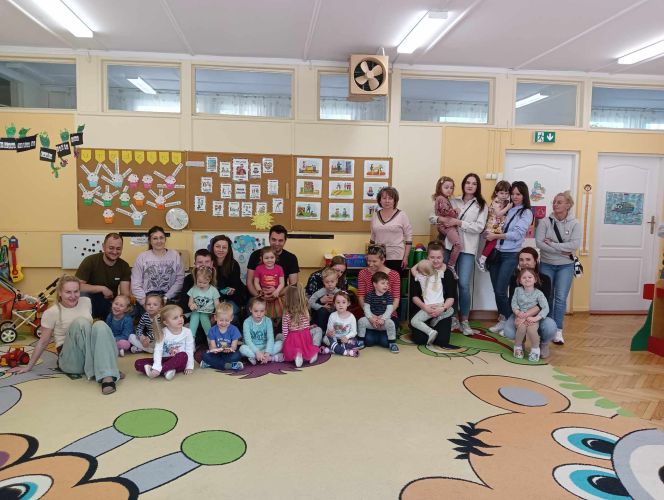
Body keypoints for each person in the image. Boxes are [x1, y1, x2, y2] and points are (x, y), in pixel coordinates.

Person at [9, 275, 122, 395]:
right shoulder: (51, 312)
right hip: (70, 361)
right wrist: (28, 366)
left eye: (76, 291)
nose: (73, 296)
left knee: (100, 325)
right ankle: (105, 369)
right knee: (81, 323)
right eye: (68, 292)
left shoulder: (86, 302)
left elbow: (88, 334)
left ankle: (107, 374)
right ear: (60, 293)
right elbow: (43, 342)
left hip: (86, 354)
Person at [431, 173, 488, 336]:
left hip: (468, 249)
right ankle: (452, 317)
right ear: (463, 185)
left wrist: (459, 222)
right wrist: (440, 220)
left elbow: (479, 227)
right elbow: (433, 217)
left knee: (463, 284)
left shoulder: (481, 205)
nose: (470, 186)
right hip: (449, 247)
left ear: (477, 187)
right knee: (449, 283)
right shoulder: (452, 200)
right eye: (467, 182)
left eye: (474, 183)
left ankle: (464, 320)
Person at [486, 181, 533, 335]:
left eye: (518, 194)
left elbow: (517, 234)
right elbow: (495, 222)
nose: (514, 196)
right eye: (512, 193)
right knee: (496, 290)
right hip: (495, 252)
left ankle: (511, 322)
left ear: (524, 195)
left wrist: (495, 236)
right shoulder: (507, 207)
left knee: (501, 290)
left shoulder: (526, 212)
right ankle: (503, 319)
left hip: (510, 254)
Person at [536, 191, 581, 345]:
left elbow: (574, 245)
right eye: (554, 202)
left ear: (568, 205)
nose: (555, 204)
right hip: (547, 264)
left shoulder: (575, 223)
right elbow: (539, 243)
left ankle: (558, 331)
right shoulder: (545, 222)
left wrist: (553, 244)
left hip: (565, 266)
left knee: (560, 298)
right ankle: (547, 328)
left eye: (559, 202)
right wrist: (562, 250)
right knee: (547, 297)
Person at [502, 247, 557, 358]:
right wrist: (518, 314)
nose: (524, 263)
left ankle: (543, 344)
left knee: (550, 327)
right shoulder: (515, 279)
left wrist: (528, 316)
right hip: (519, 314)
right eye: (521, 260)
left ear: (535, 261)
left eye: (528, 259)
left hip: (538, 316)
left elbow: (543, 305)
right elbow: (512, 301)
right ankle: (520, 343)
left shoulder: (545, 279)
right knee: (508, 331)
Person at [409, 241, 459, 349]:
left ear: (443, 258)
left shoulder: (445, 273)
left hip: (440, 310)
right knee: (420, 340)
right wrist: (425, 308)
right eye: (432, 257)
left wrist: (442, 309)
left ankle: (436, 322)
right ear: (427, 258)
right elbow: (414, 297)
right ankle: (430, 329)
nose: (436, 260)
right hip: (423, 308)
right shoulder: (421, 273)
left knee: (442, 341)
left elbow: (451, 297)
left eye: (439, 257)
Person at [356, 244, 401, 350]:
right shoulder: (363, 273)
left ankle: (385, 333)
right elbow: (361, 297)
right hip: (370, 315)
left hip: (388, 315)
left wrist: (383, 317)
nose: (370, 264)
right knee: (369, 341)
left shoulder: (394, 275)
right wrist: (371, 317)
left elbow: (396, 299)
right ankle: (378, 333)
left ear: (383, 260)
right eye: (369, 261)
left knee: (385, 342)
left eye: (374, 261)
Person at [75, 233, 131, 319]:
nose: (115, 252)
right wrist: (102, 288)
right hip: (89, 302)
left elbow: (125, 294)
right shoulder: (90, 261)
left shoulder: (124, 266)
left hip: (110, 303)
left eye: (118, 249)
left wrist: (120, 305)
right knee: (82, 294)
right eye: (111, 248)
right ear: (103, 247)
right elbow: (76, 286)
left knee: (130, 309)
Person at [135, 304, 194, 380]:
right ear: (166, 323)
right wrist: (157, 366)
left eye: (181, 316)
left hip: (180, 361)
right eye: (175, 318)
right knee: (138, 363)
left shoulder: (187, 332)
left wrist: (189, 366)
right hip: (165, 360)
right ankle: (167, 370)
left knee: (183, 355)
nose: (180, 319)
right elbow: (158, 350)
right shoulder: (162, 332)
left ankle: (159, 371)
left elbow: (189, 350)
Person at [131, 226, 185, 309]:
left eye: (161, 238)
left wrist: (166, 298)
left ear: (165, 239)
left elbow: (179, 281)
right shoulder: (142, 257)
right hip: (147, 299)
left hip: (169, 298)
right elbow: (135, 283)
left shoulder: (175, 255)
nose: (159, 241)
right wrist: (145, 302)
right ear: (150, 241)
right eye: (155, 238)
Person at [247, 225, 299, 298]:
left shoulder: (291, 258)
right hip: (258, 297)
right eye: (274, 239)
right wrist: (260, 296)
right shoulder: (255, 255)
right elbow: (249, 282)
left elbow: (293, 285)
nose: (277, 243)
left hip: (280, 296)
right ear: (269, 239)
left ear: (285, 241)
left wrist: (276, 293)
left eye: (280, 240)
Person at [370, 186, 413, 271]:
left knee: (394, 279)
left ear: (395, 200)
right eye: (384, 198)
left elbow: (409, 237)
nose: (387, 201)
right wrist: (370, 255)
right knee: (378, 279)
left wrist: (406, 257)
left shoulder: (402, 215)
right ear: (380, 200)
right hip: (378, 257)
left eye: (390, 198)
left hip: (396, 257)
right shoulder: (375, 215)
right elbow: (372, 238)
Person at [511, 268, 549, 362]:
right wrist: (518, 312)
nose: (527, 279)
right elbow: (514, 303)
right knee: (521, 328)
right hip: (520, 316)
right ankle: (518, 347)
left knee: (532, 330)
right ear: (520, 280)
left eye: (530, 277)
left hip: (533, 318)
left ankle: (535, 350)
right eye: (524, 277)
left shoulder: (539, 293)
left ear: (535, 279)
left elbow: (545, 308)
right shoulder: (517, 290)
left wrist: (536, 318)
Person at [357, 272, 399, 353]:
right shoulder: (369, 295)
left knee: (391, 323)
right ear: (375, 284)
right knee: (361, 321)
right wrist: (371, 318)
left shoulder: (388, 296)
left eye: (387, 283)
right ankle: (360, 340)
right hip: (372, 320)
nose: (386, 285)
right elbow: (366, 308)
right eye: (383, 283)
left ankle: (392, 343)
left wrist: (383, 319)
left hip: (383, 321)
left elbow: (389, 309)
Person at [431, 176, 463, 279]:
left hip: (446, 227)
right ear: (440, 187)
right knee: (458, 244)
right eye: (446, 187)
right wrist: (456, 211)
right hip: (446, 227)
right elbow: (447, 212)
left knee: (456, 245)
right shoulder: (441, 198)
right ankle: (451, 265)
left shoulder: (445, 198)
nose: (449, 190)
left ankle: (450, 265)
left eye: (451, 188)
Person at [281, 284, 320, 368]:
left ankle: (297, 354)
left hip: (293, 337)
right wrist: (309, 328)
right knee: (309, 344)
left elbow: (285, 330)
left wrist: (286, 342)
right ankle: (313, 353)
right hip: (305, 336)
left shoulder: (286, 313)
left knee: (281, 339)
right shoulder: (305, 309)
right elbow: (306, 324)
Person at [477, 180, 512, 272]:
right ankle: (482, 259)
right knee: (493, 243)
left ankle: (482, 259)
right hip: (492, 227)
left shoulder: (504, 201)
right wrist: (508, 207)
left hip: (496, 227)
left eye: (506, 193)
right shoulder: (496, 201)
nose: (504, 195)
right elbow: (498, 214)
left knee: (489, 244)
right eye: (501, 193)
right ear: (496, 192)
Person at [200, 302, 244, 371]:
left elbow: (234, 346)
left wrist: (230, 349)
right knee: (204, 355)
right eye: (221, 320)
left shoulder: (234, 329)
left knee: (237, 355)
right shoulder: (212, 330)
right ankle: (230, 366)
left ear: (231, 318)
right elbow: (212, 346)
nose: (224, 323)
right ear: (215, 317)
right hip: (216, 354)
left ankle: (212, 364)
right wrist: (215, 350)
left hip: (228, 354)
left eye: (227, 320)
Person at [210, 235, 247, 316]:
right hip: (213, 299)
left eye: (224, 247)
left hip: (233, 299)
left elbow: (235, 285)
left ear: (228, 250)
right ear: (212, 247)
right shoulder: (208, 263)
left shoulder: (234, 264)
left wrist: (232, 290)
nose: (221, 250)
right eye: (217, 246)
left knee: (224, 315)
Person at [240, 296, 284, 364]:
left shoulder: (268, 321)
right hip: (253, 349)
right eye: (256, 311)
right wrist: (257, 352)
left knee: (280, 344)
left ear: (265, 310)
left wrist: (267, 352)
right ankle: (264, 358)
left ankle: (260, 358)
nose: (259, 314)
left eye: (262, 311)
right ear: (250, 309)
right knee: (242, 348)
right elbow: (248, 341)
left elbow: (270, 338)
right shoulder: (247, 322)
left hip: (265, 348)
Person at [187, 266, 220, 339]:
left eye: (204, 283)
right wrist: (191, 305)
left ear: (209, 280)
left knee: (203, 316)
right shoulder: (193, 289)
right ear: (196, 279)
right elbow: (190, 303)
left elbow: (217, 305)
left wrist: (217, 314)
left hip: (208, 313)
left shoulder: (213, 290)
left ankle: (209, 337)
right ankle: (191, 338)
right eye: (199, 282)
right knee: (194, 315)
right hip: (196, 311)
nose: (201, 284)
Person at [253, 246, 285, 320]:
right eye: (266, 258)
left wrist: (277, 291)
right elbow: (256, 282)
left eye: (272, 257)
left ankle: (277, 325)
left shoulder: (279, 268)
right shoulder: (258, 268)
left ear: (275, 257)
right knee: (263, 314)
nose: (269, 260)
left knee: (279, 313)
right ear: (261, 258)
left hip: (276, 295)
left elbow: (282, 283)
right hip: (264, 295)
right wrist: (260, 291)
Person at [322, 290, 358, 357]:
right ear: (334, 304)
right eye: (338, 302)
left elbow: (354, 332)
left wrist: (346, 337)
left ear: (348, 303)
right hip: (334, 339)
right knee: (325, 339)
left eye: (343, 302)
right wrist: (329, 333)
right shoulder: (332, 316)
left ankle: (331, 350)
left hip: (345, 340)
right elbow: (328, 331)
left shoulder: (351, 317)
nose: (341, 305)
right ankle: (345, 352)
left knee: (354, 341)